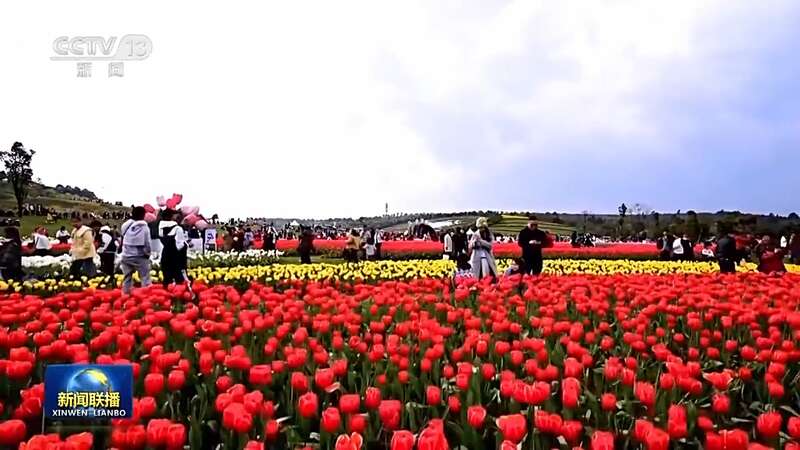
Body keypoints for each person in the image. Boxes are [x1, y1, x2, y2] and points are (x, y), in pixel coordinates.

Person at [119, 206, 152, 294]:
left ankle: (125, 296)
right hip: (139, 256)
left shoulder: (125, 226)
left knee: (127, 278)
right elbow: (147, 243)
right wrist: (147, 254)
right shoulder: (144, 227)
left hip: (126, 255)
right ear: (143, 215)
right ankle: (146, 297)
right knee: (145, 278)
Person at [159, 209, 189, 287]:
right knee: (179, 279)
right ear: (171, 216)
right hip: (176, 257)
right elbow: (180, 245)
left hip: (165, 254)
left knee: (167, 279)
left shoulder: (160, 228)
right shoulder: (178, 228)